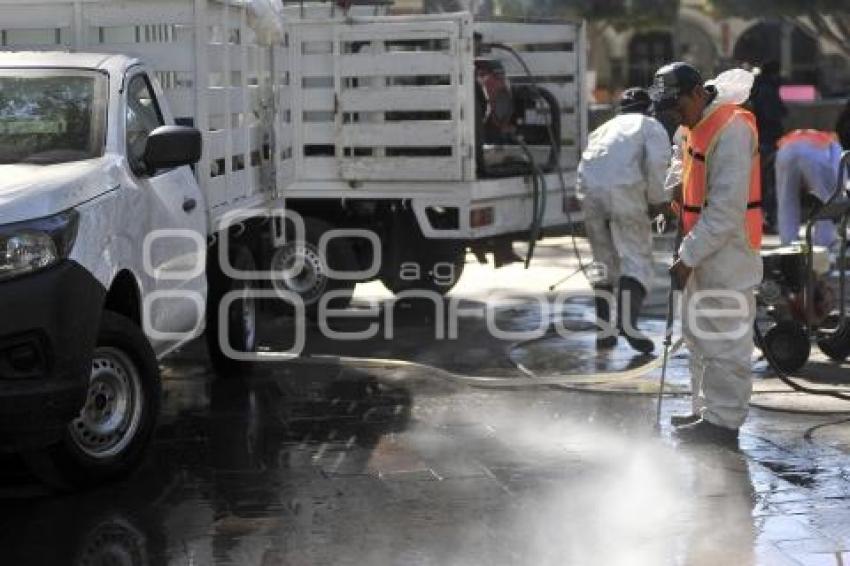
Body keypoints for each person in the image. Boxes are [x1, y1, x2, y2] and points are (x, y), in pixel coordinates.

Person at [651, 63, 763, 446]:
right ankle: (705, 411)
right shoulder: (692, 120)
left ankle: (724, 423)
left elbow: (726, 210)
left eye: (677, 107)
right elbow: (680, 160)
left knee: (725, 337)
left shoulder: (732, 129)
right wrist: (673, 189)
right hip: (698, 241)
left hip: (727, 250)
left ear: (697, 93)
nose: (674, 117)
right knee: (698, 333)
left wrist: (688, 257)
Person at [576, 87, 671, 354]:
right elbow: (658, 164)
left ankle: (604, 332)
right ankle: (628, 324)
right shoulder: (650, 125)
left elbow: (585, 163)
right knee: (636, 260)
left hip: (591, 193)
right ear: (648, 108)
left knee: (602, 262)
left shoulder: (604, 128)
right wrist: (658, 201)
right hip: (625, 191)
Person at [774, 129, 843, 247]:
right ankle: (824, 242)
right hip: (814, 151)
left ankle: (788, 242)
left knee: (786, 199)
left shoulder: (804, 135)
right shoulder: (834, 144)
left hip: (785, 150)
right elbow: (838, 176)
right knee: (826, 199)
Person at [748, 61, 787, 231]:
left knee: (762, 183)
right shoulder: (767, 90)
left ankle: (762, 219)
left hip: (761, 141)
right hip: (768, 141)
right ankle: (768, 220)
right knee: (769, 183)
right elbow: (775, 114)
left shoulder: (759, 88)